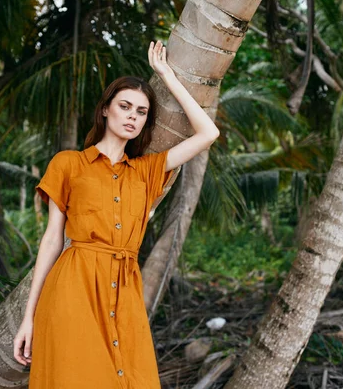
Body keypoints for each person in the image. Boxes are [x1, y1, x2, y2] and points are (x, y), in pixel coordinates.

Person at [14, 40, 220, 388]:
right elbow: (51, 240)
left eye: (141, 112)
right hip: (72, 288)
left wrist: (167, 75)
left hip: (125, 290)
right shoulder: (69, 164)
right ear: (105, 110)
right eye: (125, 106)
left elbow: (208, 133)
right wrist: (27, 318)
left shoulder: (145, 171)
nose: (132, 116)